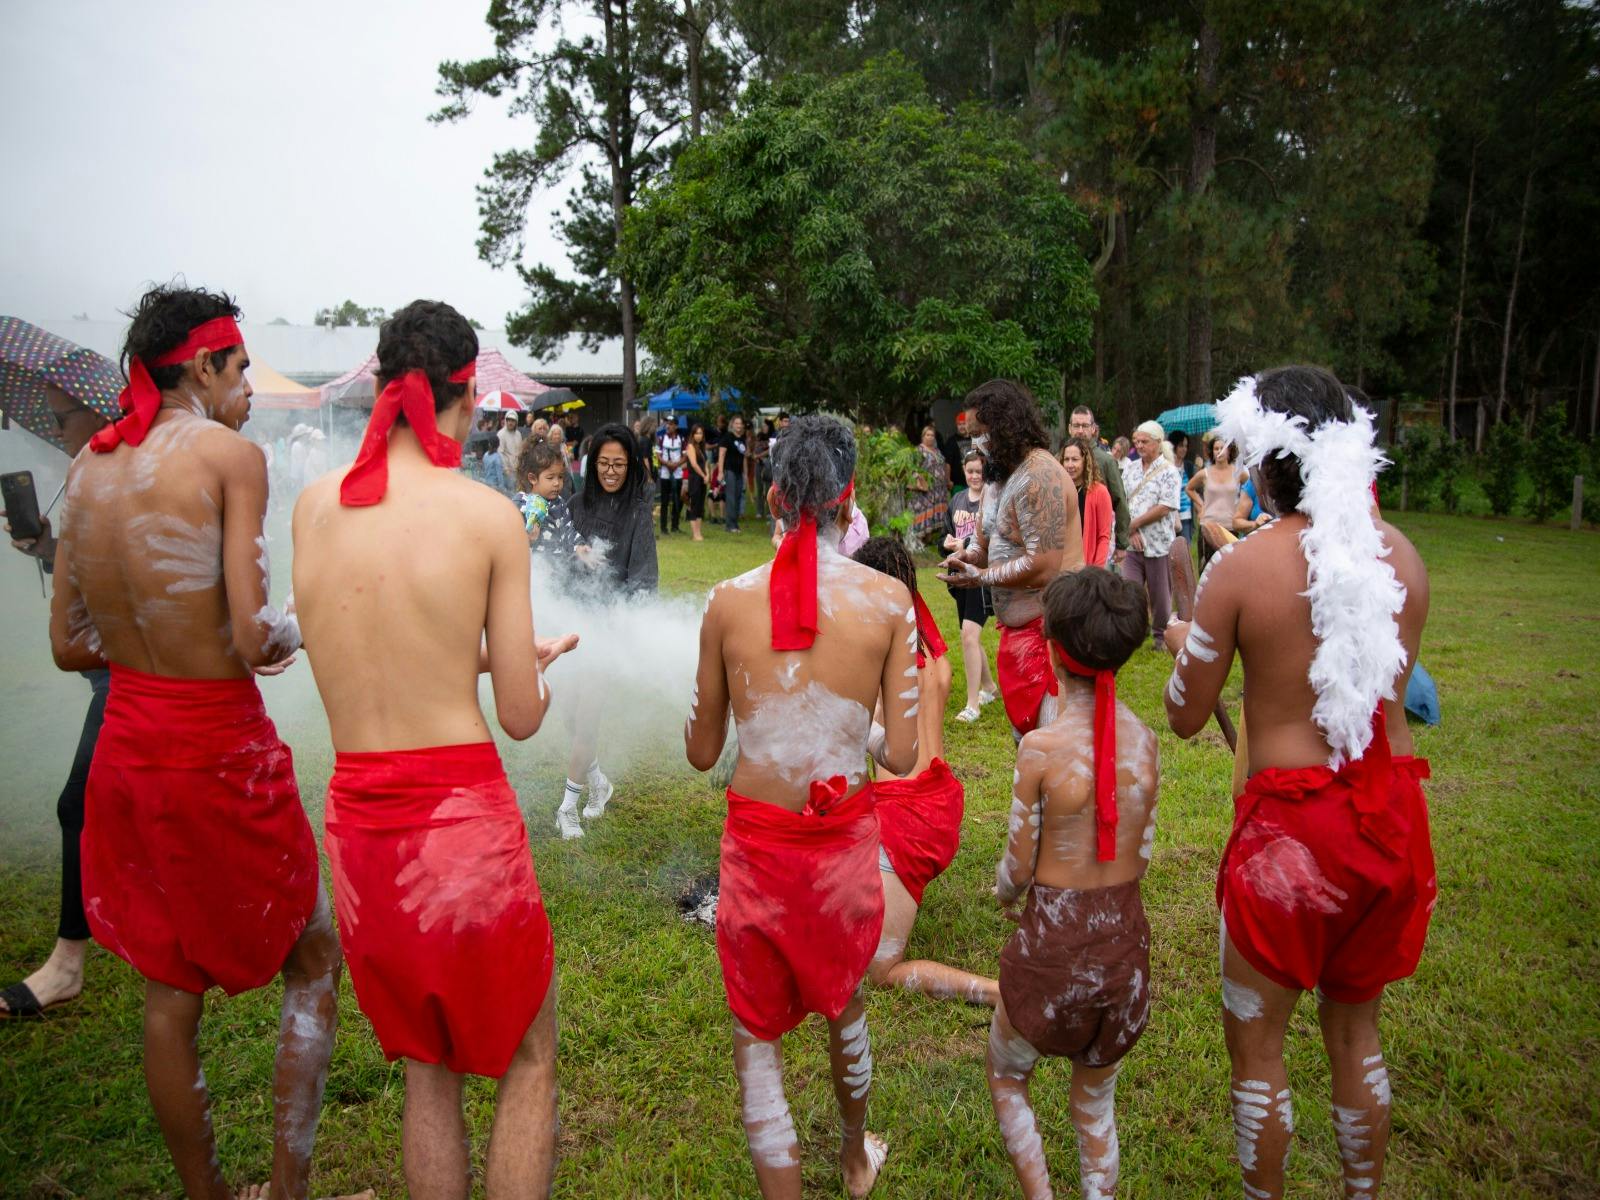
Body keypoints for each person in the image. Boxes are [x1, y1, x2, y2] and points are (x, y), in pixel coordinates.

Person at [47, 284, 353, 1200]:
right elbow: (255, 636)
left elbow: (68, 645)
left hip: (127, 749)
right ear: (203, 366)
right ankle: (287, 1192)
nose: (251, 385)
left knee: (166, 990)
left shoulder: (89, 469)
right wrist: (298, 625)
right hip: (216, 751)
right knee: (315, 958)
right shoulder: (227, 455)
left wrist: (149, 642)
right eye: (241, 366)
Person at [293, 300, 575, 1199]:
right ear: (463, 399)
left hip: (360, 825)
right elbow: (525, 720)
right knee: (529, 1057)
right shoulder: (486, 516)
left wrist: (484, 654)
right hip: (458, 818)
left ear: (382, 386)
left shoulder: (310, 510)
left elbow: (375, 640)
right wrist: (527, 671)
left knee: (426, 1065)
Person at [1162, 367, 1435, 1200]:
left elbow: (1183, 714)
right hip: (1389, 821)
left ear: (1270, 462)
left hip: (1292, 834)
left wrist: (1185, 643)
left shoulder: (1241, 569)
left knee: (1260, 1044)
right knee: (1357, 1036)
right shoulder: (1406, 562)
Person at [687, 414, 914, 1199]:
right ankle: (855, 1161)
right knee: (845, 1007)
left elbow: (699, 749)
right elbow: (908, 755)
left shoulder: (725, 600)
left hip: (756, 852)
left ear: (777, 495)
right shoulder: (889, 602)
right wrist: (852, 721)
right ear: (848, 496)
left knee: (757, 1040)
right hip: (842, 848)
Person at [988, 567, 1158, 1200]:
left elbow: (1016, 870)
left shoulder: (1040, 748)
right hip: (1125, 957)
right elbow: (1140, 852)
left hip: (1051, 956)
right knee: (1095, 1106)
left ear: (1053, 650)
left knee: (1007, 1077)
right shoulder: (1144, 745)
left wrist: (1004, 897)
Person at [1, 388, 109, 1018]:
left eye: (63, 416)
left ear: (100, 411)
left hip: (132, 673)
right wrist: (49, 546)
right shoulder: (90, 474)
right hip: (110, 670)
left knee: (78, 802)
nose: (55, 428)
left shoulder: (117, 472)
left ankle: (68, 963)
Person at [852, 537, 997, 1007]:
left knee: (879, 968)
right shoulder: (931, 649)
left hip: (907, 818)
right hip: (941, 798)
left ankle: (997, 993)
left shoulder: (879, 655)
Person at [940, 380, 1082, 739]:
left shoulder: (1040, 475)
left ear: (1004, 427)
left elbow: (1045, 566)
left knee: (1051, 745)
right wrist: (965, 557)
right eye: (970, 436)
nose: (975, 445)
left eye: (981, 434)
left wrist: (981, 576)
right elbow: (983, 544)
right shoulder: (997, 478)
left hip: (1051, 631)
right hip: (1016, 633)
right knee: (1027, 742)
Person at [557, 424, 659, 839]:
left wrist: (630, 626)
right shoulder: (576, 504)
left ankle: (569, 806)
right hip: (572, 621)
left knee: (587, 717)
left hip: (609, 626)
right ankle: (598, 780)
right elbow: (557, 556)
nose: (611, 471)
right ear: (590, 464)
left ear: (631, 466)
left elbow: (644, 575)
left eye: (619, 464)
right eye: (603, 463)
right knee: (569, 713)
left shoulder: (637, 511)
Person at [940, 450, 998, 722]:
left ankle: (973, 704)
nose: (975, 476)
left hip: (980, 575)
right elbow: (946, 532)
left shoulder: (992, 499)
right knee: (969, 635)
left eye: (979, 471)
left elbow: (994, 539)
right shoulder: (958, 499)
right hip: (959, 577)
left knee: (969, 635)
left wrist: (968, 548)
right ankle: (988, 687)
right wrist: (949, 544)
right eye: (970, 471)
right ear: (963, 471)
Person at [1119, 420, 1180, 649]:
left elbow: (1165, 506)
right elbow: (1122, 500)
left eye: (1145, 441)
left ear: (1157, 443)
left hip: (1158, 543)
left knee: (1160, 594)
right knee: (1131, 590)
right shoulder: (1131, 468)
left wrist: (1135, 524)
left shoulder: (1169, 471)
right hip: (1132, 542)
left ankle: (1161, 635)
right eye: (1137, 442)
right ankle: (1135, 632)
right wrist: (1129, 529)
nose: (1140, 446)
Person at [1067, 406, 1130, 562]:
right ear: (1069, 428)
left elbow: (1120, 500)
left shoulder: (1106, 461)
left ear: (1093, 428)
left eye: (1085, 426)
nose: (1080, 431)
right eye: (1076, 425)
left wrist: (1122, 543)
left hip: (1097, 542)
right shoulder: (1060, 457)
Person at [517, 440, 587, 562]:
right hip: (536, 571)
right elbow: (507, 540)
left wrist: (579, 547)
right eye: (550, 478)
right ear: (533, 478)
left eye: (560, 477)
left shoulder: (560, 503)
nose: (557, 483)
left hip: (559, 571)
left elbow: (568, 530)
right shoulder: (522, 503)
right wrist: (526, 538)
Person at [1189, 435, 1248, 566]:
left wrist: (1243, 508)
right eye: (1216, 448)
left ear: (1229, 451)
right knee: (1207, 568)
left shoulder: (1239, 473)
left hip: (1230, 527)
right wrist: (1201, 505)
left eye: (1223, 448)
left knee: (1231, 567)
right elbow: (1189, 488)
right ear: (1212, 451)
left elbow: (1250, 489)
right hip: (1209, 526)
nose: (1219, 451)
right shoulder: (1205, 473)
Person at [1061, 436, 1113, 571]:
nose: (1070, 465)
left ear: (1085, 461)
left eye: (1075, 459)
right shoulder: (1058, 491)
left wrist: (1096, 570)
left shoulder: (1100, 492)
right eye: (1066, 459)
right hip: (1062, 566)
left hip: (1087, 568)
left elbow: (1104, 537)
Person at [908, 424, 951, 546]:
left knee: (935, 513)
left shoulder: (937, 451)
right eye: (928, 435)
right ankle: (923, 539)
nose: (930, 437)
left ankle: (931, 538)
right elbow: (913, 468)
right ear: (923, 436)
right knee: (925, 511)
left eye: (932, 435)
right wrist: (919, 479)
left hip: (939, 490)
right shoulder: (918, 451)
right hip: (926, 490)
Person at [718, 414, 748, 533]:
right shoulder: (727, 437)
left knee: (738, 497)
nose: (738, 426)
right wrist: (720, 472)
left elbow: (744, 457)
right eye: (736, 423)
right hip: (729, 471)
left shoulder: (742, 439)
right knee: (730, 498)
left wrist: (745, 473)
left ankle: (734, 523)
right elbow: (722, 454)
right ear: (732, 424)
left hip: (739, 472)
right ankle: (730, 525)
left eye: (740, 424)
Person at [657, 419, 686, 534]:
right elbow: (658, 455)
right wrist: (667, 464)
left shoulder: (681, 439)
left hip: (678, 473)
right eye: (667, 424)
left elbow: (685, 456)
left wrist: (676, 464)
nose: (668, 426)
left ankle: (675, 525)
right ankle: (663, 527)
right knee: (664, 501)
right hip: (665, 474)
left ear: (676, 426)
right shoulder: (661, 438)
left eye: (671, 424)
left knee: (677, 500)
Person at [684, 421, 712, 541]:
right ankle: (695, 534)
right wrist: (703, 475)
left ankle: (699, 532)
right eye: (697, 433)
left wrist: (708, 475)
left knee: (700, 505)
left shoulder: (702, 447)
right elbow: (694, 465)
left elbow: (705, 463)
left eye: (701, 433)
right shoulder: (690, 446)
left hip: (702, 479)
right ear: (693, 434)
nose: (699, 435)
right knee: (694, 504)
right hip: (695, 479)